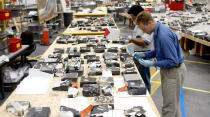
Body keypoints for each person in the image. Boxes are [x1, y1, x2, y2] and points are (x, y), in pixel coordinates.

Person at [134, 11, 187, 117]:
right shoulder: (157, 31)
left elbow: (173, 61)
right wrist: (145, 54)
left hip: (173, 71)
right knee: (174, 106)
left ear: (149, 22)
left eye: (143, 29)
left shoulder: (163, 35)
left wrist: (153, 63)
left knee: (169, 108)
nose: (143, 32)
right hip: (170, 70)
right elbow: (159, 51)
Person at [128, 5, 154, 93]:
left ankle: (147, 97)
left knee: (145, 80)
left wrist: (131, 39)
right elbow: (138, 37)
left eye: (133, 17)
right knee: (140, 78)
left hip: (144, 55)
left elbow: (144, 43)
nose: (132, 19)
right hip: (139, 54)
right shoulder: (137, 25)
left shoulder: (146, 26)